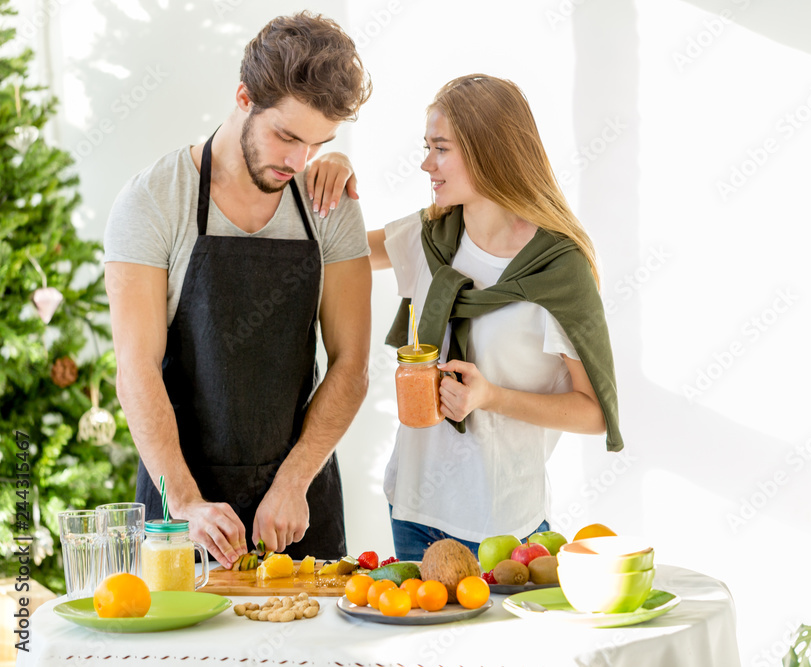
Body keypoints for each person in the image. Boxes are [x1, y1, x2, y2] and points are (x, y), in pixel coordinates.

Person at [307, 74, 624, 561]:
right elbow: (332, 252)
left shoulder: (558, 271)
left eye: (440, 149)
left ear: (486, 151)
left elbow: (593, 412)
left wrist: (490, 396)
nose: (425, 164)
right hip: (412, 512)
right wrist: (332, 162)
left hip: (502, 525)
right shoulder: (430, 235)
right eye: (427, 147)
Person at [104, 12, 371, 567]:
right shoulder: (154, 201)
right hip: (181, 507)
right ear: (244, 97)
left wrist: (295, 480)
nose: (298, 163)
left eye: (318, 145)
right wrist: (185, 503)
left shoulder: (328, 204)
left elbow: (351, 365)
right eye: (287, 136)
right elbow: (136, 369)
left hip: (298, 506)